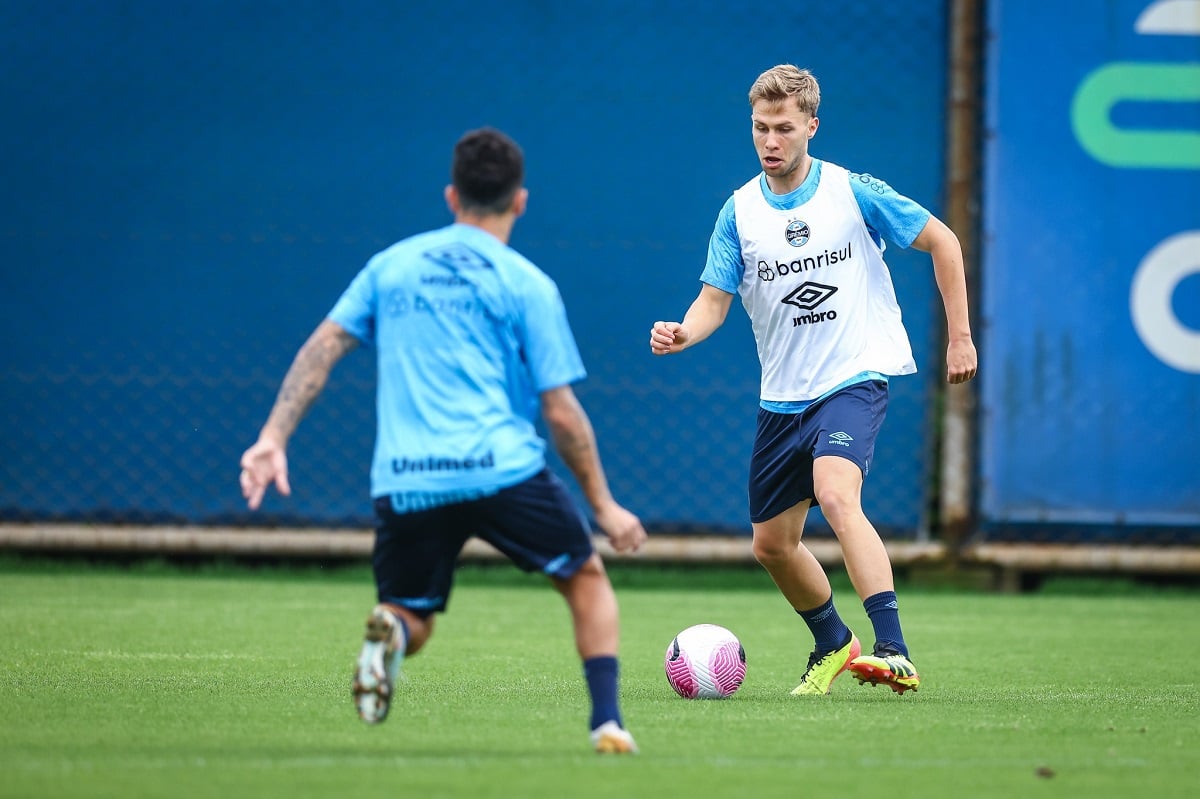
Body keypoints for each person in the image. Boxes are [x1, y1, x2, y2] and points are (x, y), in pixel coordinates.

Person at [240, 127, 646, 753]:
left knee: (413, 615)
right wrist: (604, 506)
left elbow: (323, 347)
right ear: (521, 201)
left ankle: (393, 637)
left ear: (452, 196)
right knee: (585, 577)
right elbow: (561, 414)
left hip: (408, 476)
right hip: (500, 469)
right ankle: (607, 722)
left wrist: (272, 437)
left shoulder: (391, 266)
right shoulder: (527, 283)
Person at [650, 65, 977, 697]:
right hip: (783, 397)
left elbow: (945, 242)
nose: (770, 141)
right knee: (772, 545)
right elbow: (713, 302)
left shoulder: (853, 193)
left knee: (837, 491)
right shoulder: (739, 212)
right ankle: (832, 641)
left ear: (810, 127)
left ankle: (895, 649)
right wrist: (685, 332)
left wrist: (960, 335)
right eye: (759, 128)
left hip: (854, 376)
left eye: (783, 129)